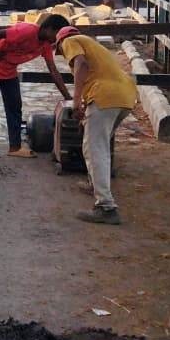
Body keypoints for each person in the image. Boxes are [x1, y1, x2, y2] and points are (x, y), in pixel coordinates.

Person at [45, 14, 138, 225]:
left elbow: (81, 64)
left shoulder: (69, 40)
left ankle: (106, 207)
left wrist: (76, 100)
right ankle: (96, 185)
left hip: (105, 96)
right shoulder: (92, 43)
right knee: (100, 147)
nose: (61, 54)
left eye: (58, 50)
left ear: (58, 39)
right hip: (124, 95)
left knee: (94, 149)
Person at [0, 15, 72, 157]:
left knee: (15, 107)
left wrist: (68, 97)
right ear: (49, 29)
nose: (58, 38)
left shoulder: (45, 45)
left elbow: (53, 70)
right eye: (57, 34)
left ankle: (15, 147)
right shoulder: (27, 31)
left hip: (9, 72)